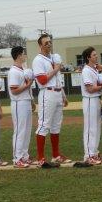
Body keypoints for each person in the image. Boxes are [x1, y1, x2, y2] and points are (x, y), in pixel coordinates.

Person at [32, 33, 69, 165]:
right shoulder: (38, 60)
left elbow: (57, 79)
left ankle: (55, 155)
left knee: (56, 126)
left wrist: (63, 96)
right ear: (40, 45)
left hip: (57, 92)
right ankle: (40, 158)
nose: (48, 44)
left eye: (49, 42)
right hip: (47, 93)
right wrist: (56, 69)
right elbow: (42, 80)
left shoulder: (53, 58)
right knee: (43, 125)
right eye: (45, 43)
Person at [7, 46, 34, 168]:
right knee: (20, 130)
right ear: (18, 55)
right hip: (19, 103)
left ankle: (24, 155)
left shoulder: (22, 70)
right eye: (23, 53)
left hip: (26, 101)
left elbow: (25, 88)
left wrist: (32, 100)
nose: (25, 56)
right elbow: (14, 90)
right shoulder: (13, 71)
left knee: (27, 130)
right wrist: (27, 85)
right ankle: (17, 158)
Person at [80, 46, 102, 165]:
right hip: (89, 100)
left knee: (97, 128)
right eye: (94, 55)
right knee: (90, 128)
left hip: (96, 100)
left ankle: (94, 152)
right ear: (88, 57)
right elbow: (89, 89)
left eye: (96, 54)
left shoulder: (94, 69)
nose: (96, 56)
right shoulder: (86, 70)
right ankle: (88, 155)